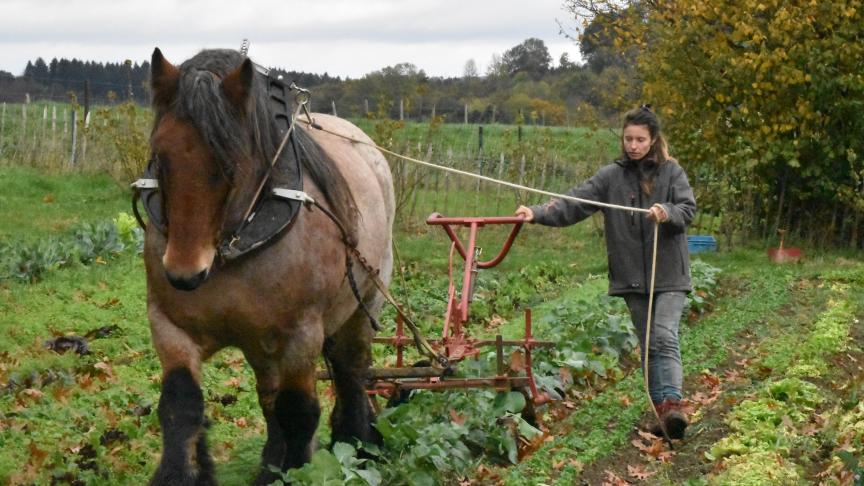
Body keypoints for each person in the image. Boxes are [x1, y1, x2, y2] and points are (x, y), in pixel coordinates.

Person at [515, 105, 696, 439]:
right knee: (648, 343)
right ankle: (663, 414)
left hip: (669, 273)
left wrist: (666, 211)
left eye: (640, 139)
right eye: (628, 138)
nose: (633, 145)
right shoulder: (610, 177)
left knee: (663, 337)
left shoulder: (672, 173)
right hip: (632, 277)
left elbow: (687, 210)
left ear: (652, 139)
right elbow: (573, 203)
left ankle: (673, 404)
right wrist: (536, 212)